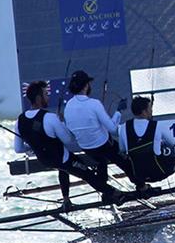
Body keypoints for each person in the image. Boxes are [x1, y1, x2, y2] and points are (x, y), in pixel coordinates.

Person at [15, 80, 124, 209]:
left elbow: (19, 149)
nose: (48, 97)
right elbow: (68, 140)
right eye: (45, 94)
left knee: (63, 169)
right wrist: (62, 123)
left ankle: (66, 200)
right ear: (38, 98)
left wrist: (34, 147)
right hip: (63, 158)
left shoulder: (19, 120)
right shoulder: (50, 117)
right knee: (88, 174)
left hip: (45, 160)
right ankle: (115, 194)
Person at [118, 96, 175, 193]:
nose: (151, 111)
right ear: (144, 112)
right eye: (149, 109)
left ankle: (142, 188)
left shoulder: (123, 128)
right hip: (159, 172)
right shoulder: (157, 126)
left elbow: (122, 149)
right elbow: (171, 143)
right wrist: (159, 142)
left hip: (140, 176)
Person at [63, 69, 130, 192]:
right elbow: (113, 129)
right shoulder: (94, 104)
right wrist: (119, 111)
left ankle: (105, 192)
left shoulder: (68, 106)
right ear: (86, 86)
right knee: (123, 160)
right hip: (103, 144)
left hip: (86, 147)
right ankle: (141, 185)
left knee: (101, 161)